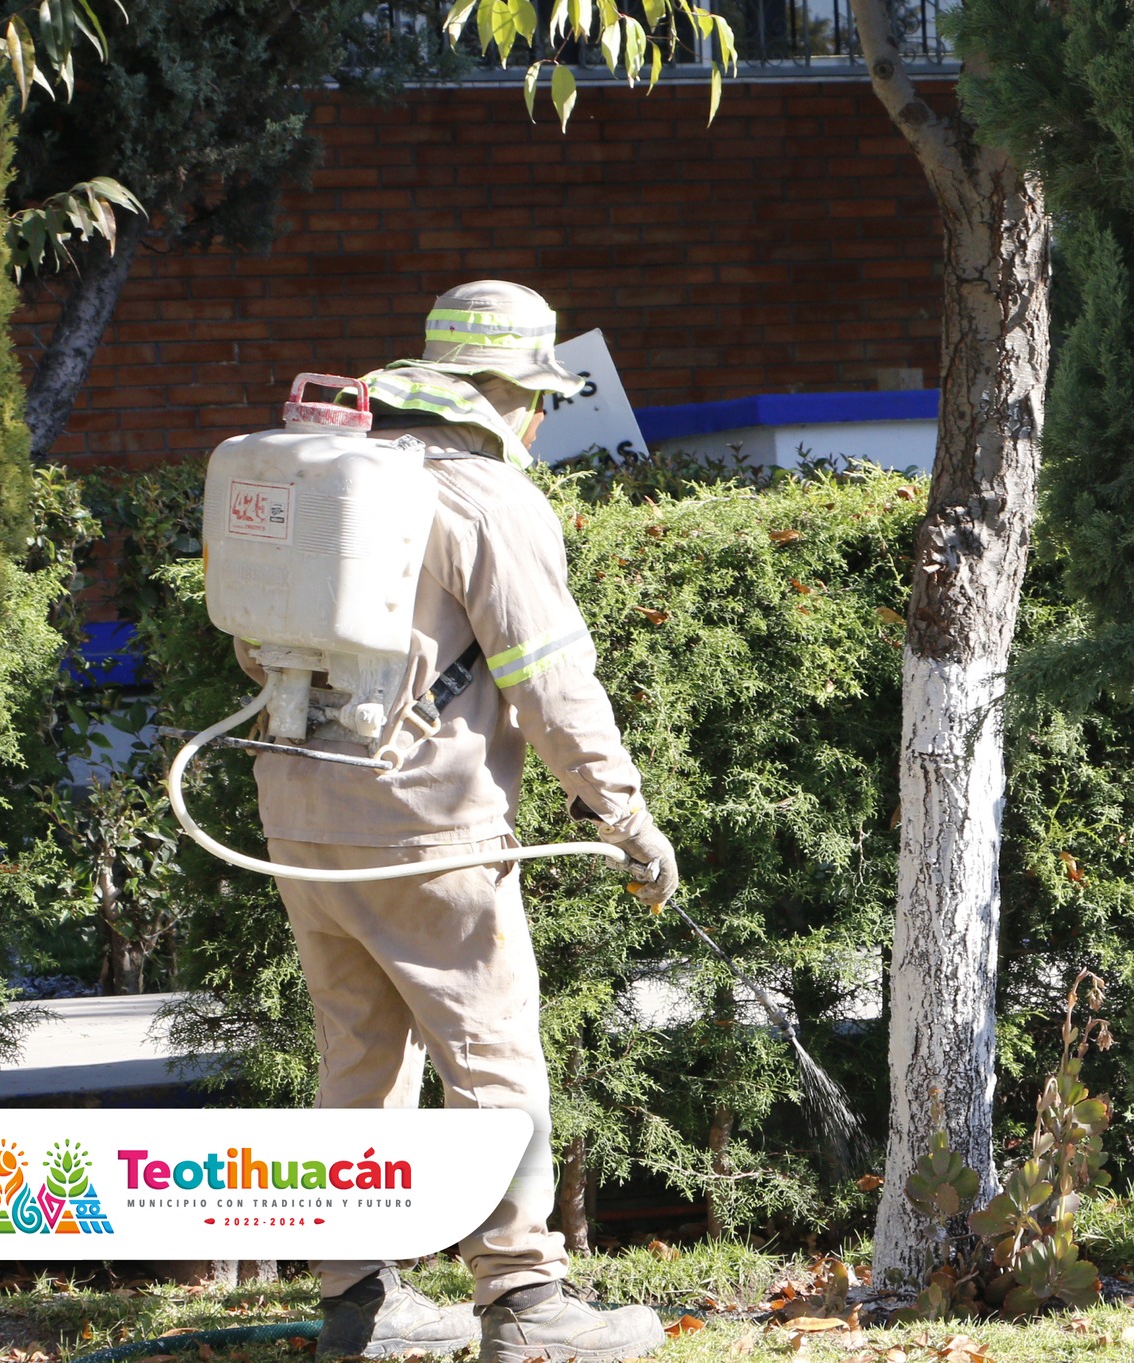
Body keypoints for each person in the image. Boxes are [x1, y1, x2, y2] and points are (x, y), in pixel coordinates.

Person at [235, 280, 678, 1362]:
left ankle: (360, 1303)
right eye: (537, 399)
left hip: (300, 816)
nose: (537, 420)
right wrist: (626, 815)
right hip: (429, 829)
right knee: (490, 1061)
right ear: (507, 394)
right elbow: (551, 683)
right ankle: (524, 1303)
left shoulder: (341, 475)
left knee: (358, 1063)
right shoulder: (488, 499)